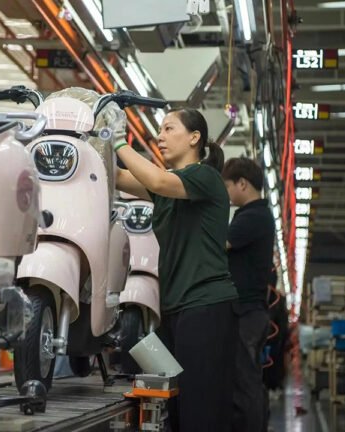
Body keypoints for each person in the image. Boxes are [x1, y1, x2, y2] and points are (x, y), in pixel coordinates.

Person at [115, 108, 239, 432]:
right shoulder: (167, 191)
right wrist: (91, 141)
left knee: (201, 410)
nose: (160, 136)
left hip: (206, 306)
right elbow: (119, 177)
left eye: (169, 128)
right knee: (177, 406)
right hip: (175, 308)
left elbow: (155, 178)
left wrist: (116, 141)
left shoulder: (205, 177)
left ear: (195, 138)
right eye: (160, 129)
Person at [222, 158, 276, 432]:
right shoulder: (254, 215)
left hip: (248, 314)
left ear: (242, 183)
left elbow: (221, 243)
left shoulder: (253, 216)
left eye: (227, 186)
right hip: (248, 312)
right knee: (243, 381)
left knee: (244, 384)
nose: (226, 193)